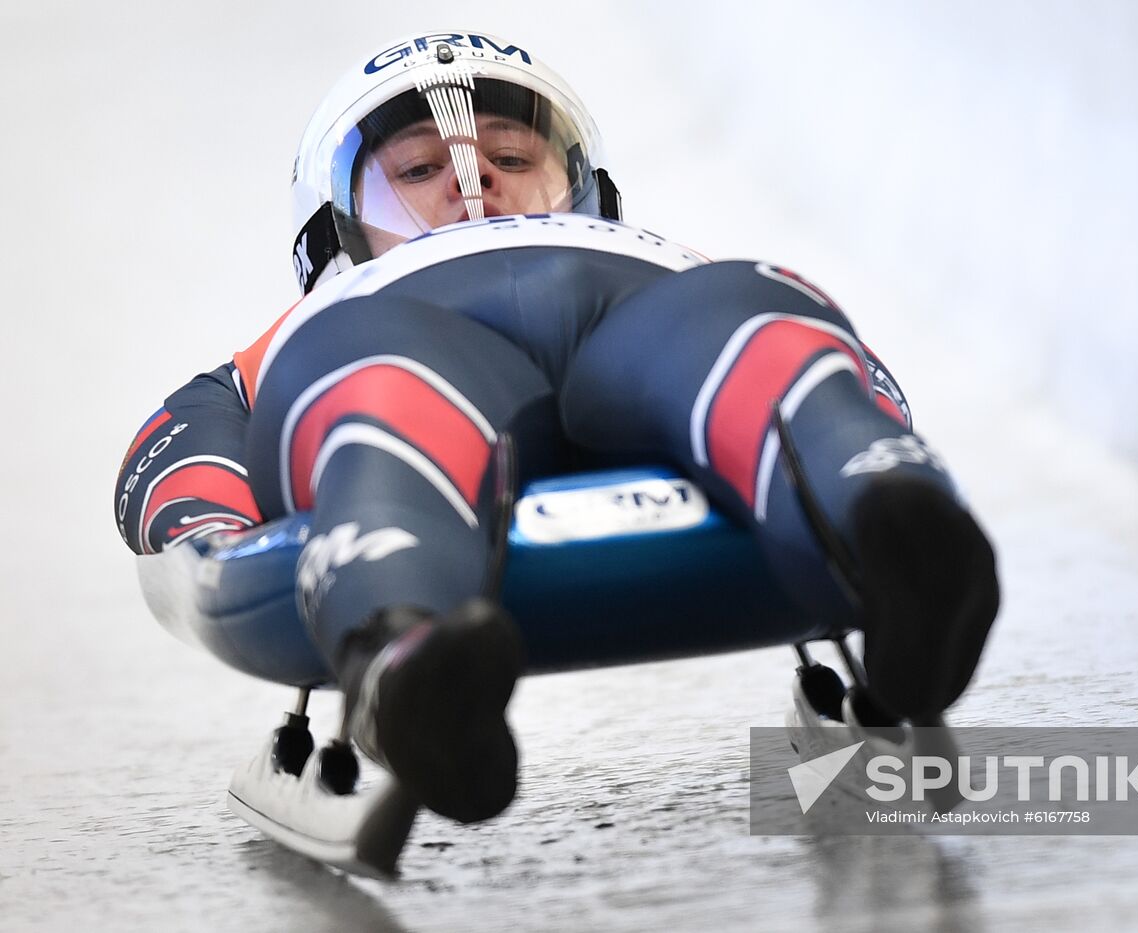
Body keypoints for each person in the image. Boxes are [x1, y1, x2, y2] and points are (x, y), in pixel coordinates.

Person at [113, 30, 1000, 825]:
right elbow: (180, 440)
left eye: (509, 152)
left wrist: (226, 560)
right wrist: (214, 535)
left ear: (586, 187)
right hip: (409, 332)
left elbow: (834, 356)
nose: (475, 181)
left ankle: (897, 537)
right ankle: (418, 661)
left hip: (627, 308)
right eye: (420, 170)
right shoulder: (323, 320)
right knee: (382, 384)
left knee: (753, 315)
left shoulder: (669, 262)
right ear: (332, 236)